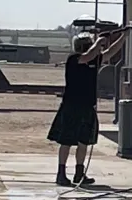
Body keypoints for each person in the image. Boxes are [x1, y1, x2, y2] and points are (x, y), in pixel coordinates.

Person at [48, 27, 125, 186]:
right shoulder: (74, 59)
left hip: (87, 106)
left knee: (84, 141)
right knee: (66, 141)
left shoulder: (94, 60)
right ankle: (61, 173)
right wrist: (98, 42)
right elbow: (87, 55)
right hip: (71, 106)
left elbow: (110, 52)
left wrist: (124, 37)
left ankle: (79, 173)